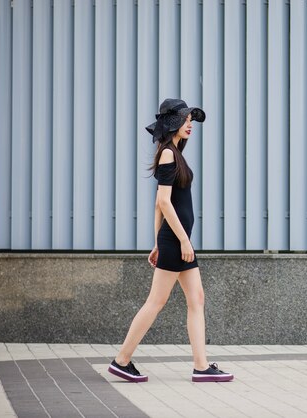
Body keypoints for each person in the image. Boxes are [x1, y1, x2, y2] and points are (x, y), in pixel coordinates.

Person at [108, 99, 233, 383]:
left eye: (191, 120)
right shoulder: (167, 154)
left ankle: (201, 367)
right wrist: (182, 242)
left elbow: (157, 205)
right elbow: (164, 202)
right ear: (174, 122)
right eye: (187, 120)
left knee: (196, 299)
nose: (191, 125)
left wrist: (157, 243)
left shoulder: (174, 154)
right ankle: (121, 360)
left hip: (174, 240)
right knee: (156, 301)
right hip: (177, 241)